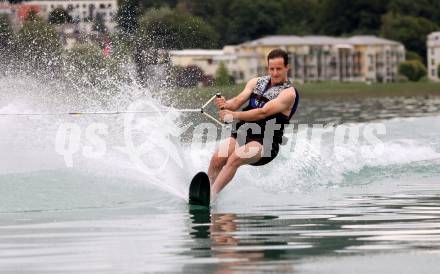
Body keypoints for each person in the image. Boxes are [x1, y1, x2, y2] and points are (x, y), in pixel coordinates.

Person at [208, 48, 299, 198]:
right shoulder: (256, 82)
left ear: (287, 68)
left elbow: (262, 113)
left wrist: (233, 115)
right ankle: (203, 189)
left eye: (279, 69)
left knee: (236, 156)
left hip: (266, 143)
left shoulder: (288, 93)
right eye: (272, 69)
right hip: (243, 134)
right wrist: (225, 104)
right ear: (267, 67)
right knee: (218, 157)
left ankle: (211, 196)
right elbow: (236, 102)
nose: (275, 73)